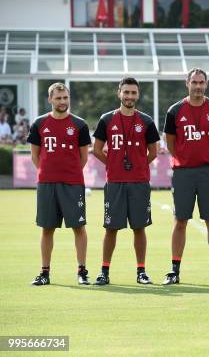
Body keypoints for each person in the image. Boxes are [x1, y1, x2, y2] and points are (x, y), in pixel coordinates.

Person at [162, 68, 209, 285]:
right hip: (183, 173)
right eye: (194, 82)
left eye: (202, 82)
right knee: (180, 220)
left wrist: (207, 158)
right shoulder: (175, 111)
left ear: (206, 84)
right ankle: (174, 270)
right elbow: (170, 142)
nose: (198, 86)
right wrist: (184, 159)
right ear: (187, 83)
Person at [91, 77, 160, 285]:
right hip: (115, 182)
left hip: (139, 182)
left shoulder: (146, 121)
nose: (129, 96)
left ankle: (141, 271)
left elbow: (153, 152)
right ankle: (104, 271)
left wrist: (138, 165)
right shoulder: (106, 119)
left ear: (138, 95)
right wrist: (112, 164)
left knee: (139, 227)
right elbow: (96, 149)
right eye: (126, 92)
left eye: (133, 93)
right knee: (111, 228)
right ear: (119, 93)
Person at [26, 83, 91, 286]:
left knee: (78, 227)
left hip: (72, 183)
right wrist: (48, 172)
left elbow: (83, 158)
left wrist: (68, 172)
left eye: (65, 98)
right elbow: (35, 155)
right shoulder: (39, 123)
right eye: (58, 98)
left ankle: (82, 271)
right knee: (47, 229)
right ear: (50, 99)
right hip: (46, 184)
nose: (63, 102)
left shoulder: (80, 125)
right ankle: (44, 272)